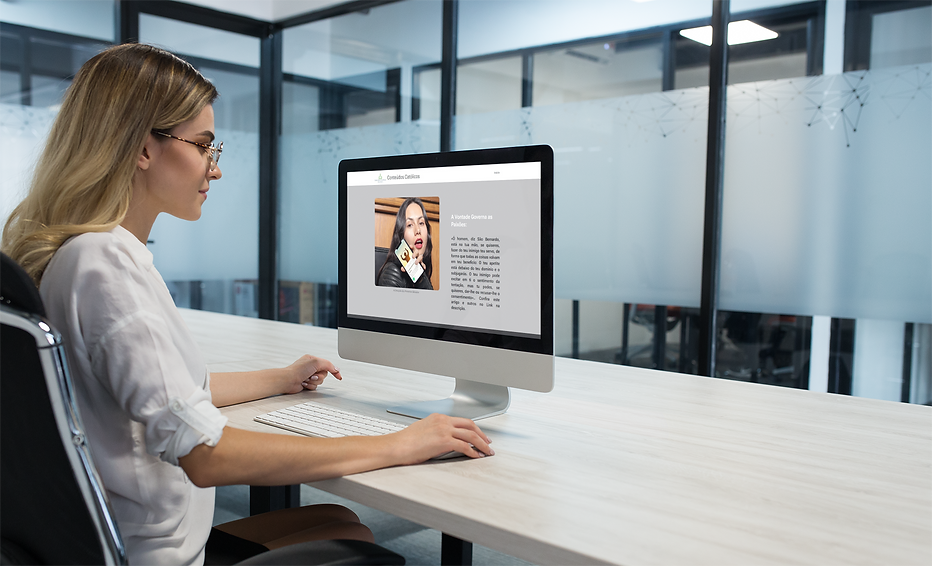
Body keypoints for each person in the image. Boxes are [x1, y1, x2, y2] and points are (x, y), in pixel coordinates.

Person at [1, 43, 491, 566]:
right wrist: (400, 443)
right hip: (156, 556)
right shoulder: (106, 265)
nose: (215, 171)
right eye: (204, 146)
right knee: (373, 557)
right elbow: (206, 454)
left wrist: (281, 378)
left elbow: (167, 395)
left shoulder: (80, 255)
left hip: (122, 538)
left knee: (343, 523)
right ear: (144, 149)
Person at [376, 197, 434, 289]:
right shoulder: (391, 273)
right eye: (410, 225)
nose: (418, 230)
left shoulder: (421, 270)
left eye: (421, 223)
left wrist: (421, 279)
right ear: (401, 235)